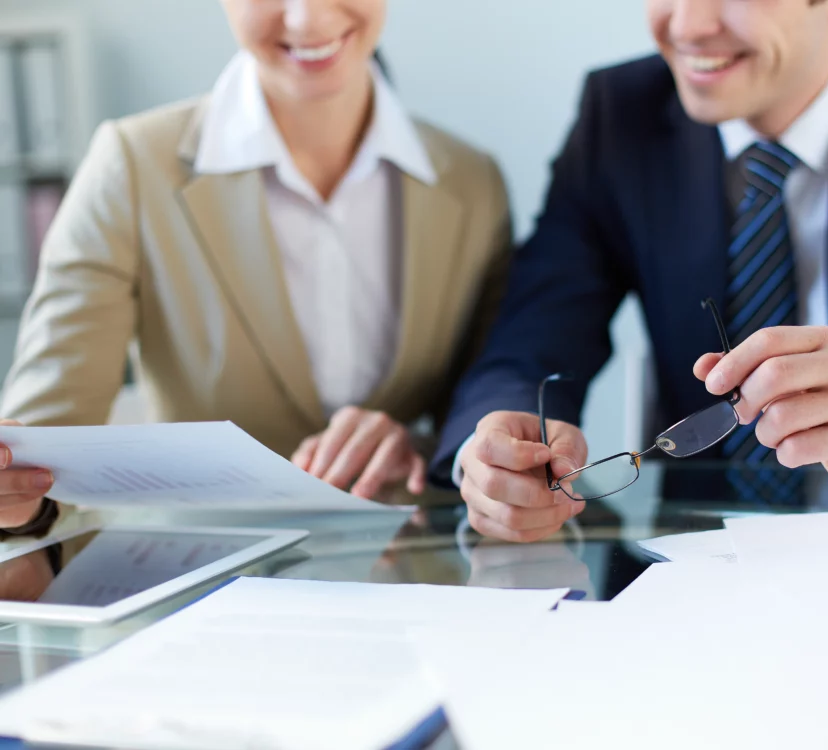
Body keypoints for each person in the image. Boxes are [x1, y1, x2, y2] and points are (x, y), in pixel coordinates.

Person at [432, 0, 828, 543]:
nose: (686, 27)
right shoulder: (620, 117)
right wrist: (497, 451)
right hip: (694, 568)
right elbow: (531, 340)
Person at [0, 0, 513, 534]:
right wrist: (20, 498)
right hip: (203, 577)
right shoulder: (131, 166)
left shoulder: (473, 183)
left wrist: (422, 447)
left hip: (419, 574)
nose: (306, 20)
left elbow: (493, 402)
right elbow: (43, 432)